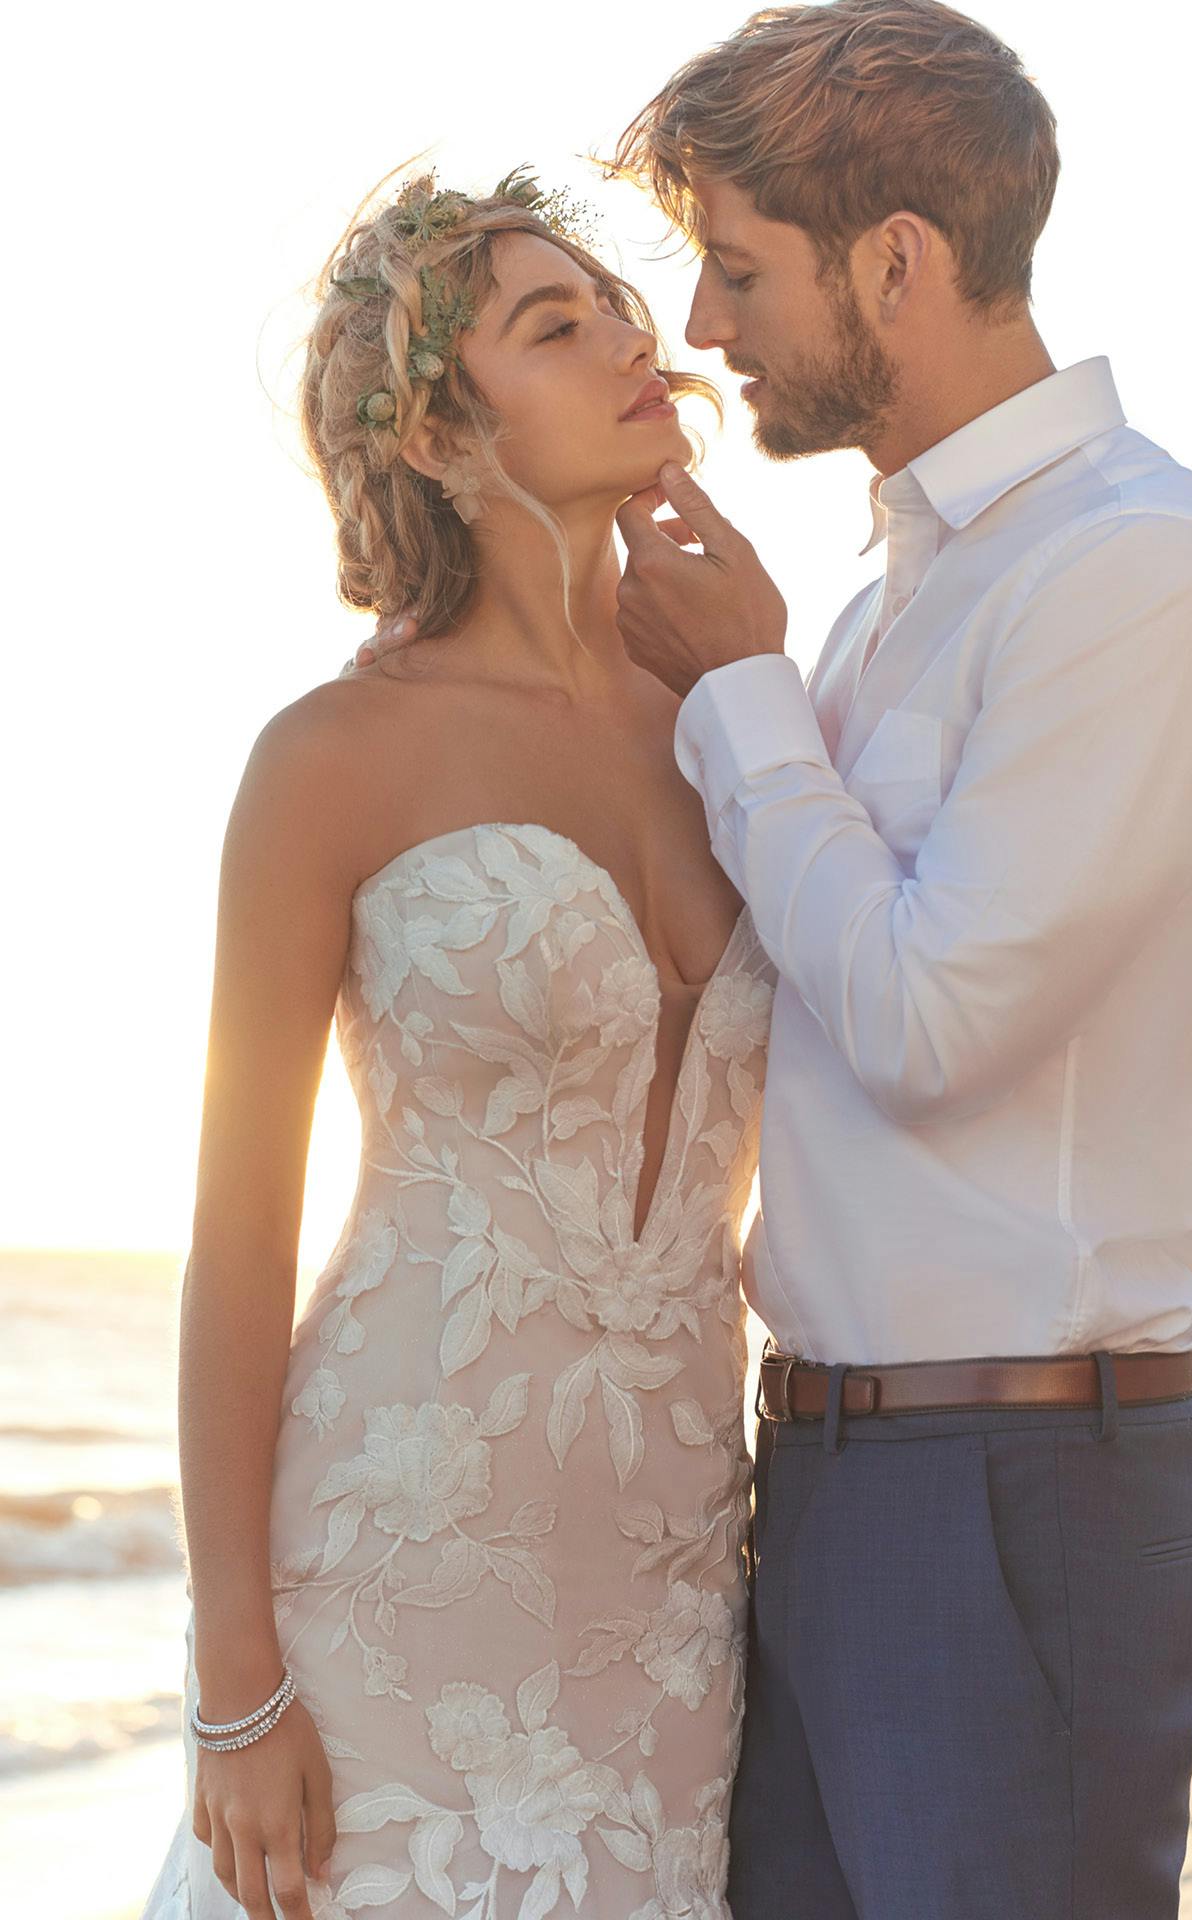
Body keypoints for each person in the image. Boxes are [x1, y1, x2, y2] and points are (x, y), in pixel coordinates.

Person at [363, 3, 1192, 1913]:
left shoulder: (1143, 573)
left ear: (897, 260)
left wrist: (737, 698)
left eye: (736, 270)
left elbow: (928, 1018)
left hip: (1012, 1482)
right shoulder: (895, 599)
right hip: (830, 1482)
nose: (702, 332)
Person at [140, 168, 777, 1920]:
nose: (631, 342)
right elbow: (240, 1239)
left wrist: (766, 677)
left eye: (618, 308)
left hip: (667, 1612)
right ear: (431, 432)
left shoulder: (734, 729)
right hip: (390, 1591)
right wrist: (236, 1673)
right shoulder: (335, 757)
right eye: (552, 326)